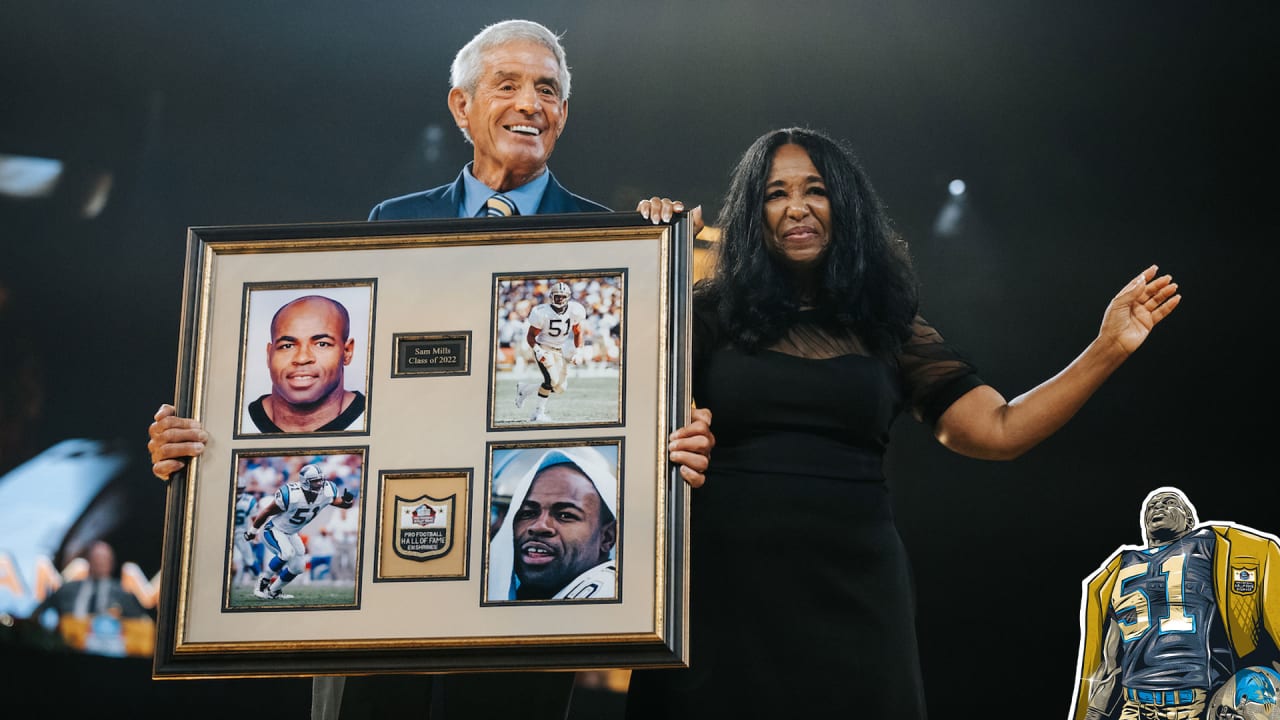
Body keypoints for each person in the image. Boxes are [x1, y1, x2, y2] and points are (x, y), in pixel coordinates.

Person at [147, 19, 714, 720]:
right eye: (507, 85)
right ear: (461, 106)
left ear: (564, 114)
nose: (529, 104)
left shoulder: (616, 241)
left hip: (515, 600)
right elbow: (339, 396)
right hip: (387, 579)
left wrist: (676, 438)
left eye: (548, 90)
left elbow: (634, 418)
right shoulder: (392, 222)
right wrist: (204, 440)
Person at [627, 126, 1181, 718]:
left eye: (816, 189)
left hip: (855, 590)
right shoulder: (706, 313)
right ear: (751, 213)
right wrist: (655, 259)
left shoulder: (888, 327)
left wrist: (1107, 348)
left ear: (845, 206)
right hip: (720, 585)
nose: (796, 207)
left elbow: (998, 430)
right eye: (774, 193)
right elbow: (623, 403)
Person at [1071, 486, 1280, 720]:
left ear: (1189, 519)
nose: (1157, 507)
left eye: (1168, 502)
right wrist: (1091, 713)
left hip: (1195, 705)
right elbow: (1109, 662)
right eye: (1151, 506)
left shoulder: (1213, 545)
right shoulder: (1120, 567)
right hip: (1133, 708)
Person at [487, 447, 618, 601]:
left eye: (565, 515)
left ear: (607, 537)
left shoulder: (607, 594)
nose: (539, 526)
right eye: (527, 513)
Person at [244, 294, 365, 434]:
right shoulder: (234, 424)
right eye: (287, 346)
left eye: (322, 344)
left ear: (347, 351)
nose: (302, 358)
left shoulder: (377, 420)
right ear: (269, 355)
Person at [244, 462, 355, 600]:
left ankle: (274, 591)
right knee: (286, 553)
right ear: (305, 483)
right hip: (274, 530)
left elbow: (341, 503)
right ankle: (262, 583)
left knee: (298, 567)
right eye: (316, 481)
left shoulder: (326, 492)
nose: (320, 484)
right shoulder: (291, 495)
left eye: (321, 480)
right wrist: (252, 531)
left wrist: (349, 501)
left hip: (291, 533)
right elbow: (267, 511)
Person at [514, 281, 587, 422]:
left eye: (563, 296)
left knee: (560, 388)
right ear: (551, 296)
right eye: (557, 296)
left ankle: (526, 389)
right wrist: (537, 350)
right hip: (543, 347)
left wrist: (579, 351)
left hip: (559, 349)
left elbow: (578, 332)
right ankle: (538, 413)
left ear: (568, 297)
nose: (559, 299)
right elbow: (530, 335)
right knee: (550, 380)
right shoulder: (542, 312)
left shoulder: (575, 310)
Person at [32, 540, 147, 621]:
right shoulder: (67, 589)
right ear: (89, 561)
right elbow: (39, 612)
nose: (100, 563)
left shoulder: (123, 594)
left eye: (104, 559)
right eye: (96, 559)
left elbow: (139, 622)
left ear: (112, 563)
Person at [232, 475, 263, 584]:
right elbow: (255, 520)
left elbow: (255, 519)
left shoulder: (228, 497)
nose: (239, 491)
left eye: (240, 489)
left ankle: (261, 579)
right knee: (246, 559)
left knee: (248, 559)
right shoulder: (249, 500)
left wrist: (255, 534)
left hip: (240, 533)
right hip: (238, 533)